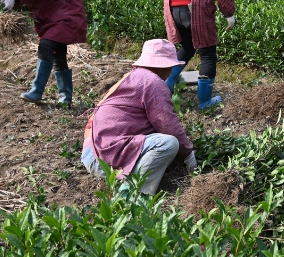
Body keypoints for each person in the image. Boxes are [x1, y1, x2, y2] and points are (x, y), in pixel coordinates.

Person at [80, 39, 197, 196]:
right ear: (162, 65)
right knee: (168, 143)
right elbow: (167, 124)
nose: (170, 71)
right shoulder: (153, 82)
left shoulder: (132, 77)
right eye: (170, 66)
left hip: (93, 152)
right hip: (104, 159)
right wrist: (188, 151)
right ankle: (131, 194)